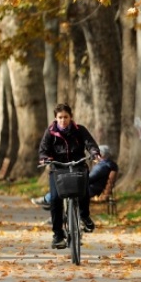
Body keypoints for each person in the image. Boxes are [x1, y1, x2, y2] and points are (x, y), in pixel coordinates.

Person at [38, 103, 101, 249]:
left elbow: (90, 144)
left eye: (66, 117)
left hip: (78, 166)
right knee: (55, 199)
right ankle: (58, 235)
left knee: (84, 192)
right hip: (58, 169)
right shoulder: (50, 132)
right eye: (60, 117)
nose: (63, 120)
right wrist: (44, 158)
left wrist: (94, 153)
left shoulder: (80, 130)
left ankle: (84, 216)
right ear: (55, 118)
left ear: (70, 117)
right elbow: (43, 149)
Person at [31, 144, 118, 210]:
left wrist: (78, 179)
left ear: (101, 154)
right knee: (68, 187)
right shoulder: (109, 165)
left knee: (67, 186)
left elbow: (90, 179)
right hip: (92, 188)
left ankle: (48, 200)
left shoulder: (103, 166)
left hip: (90, 189)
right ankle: (50, 202)